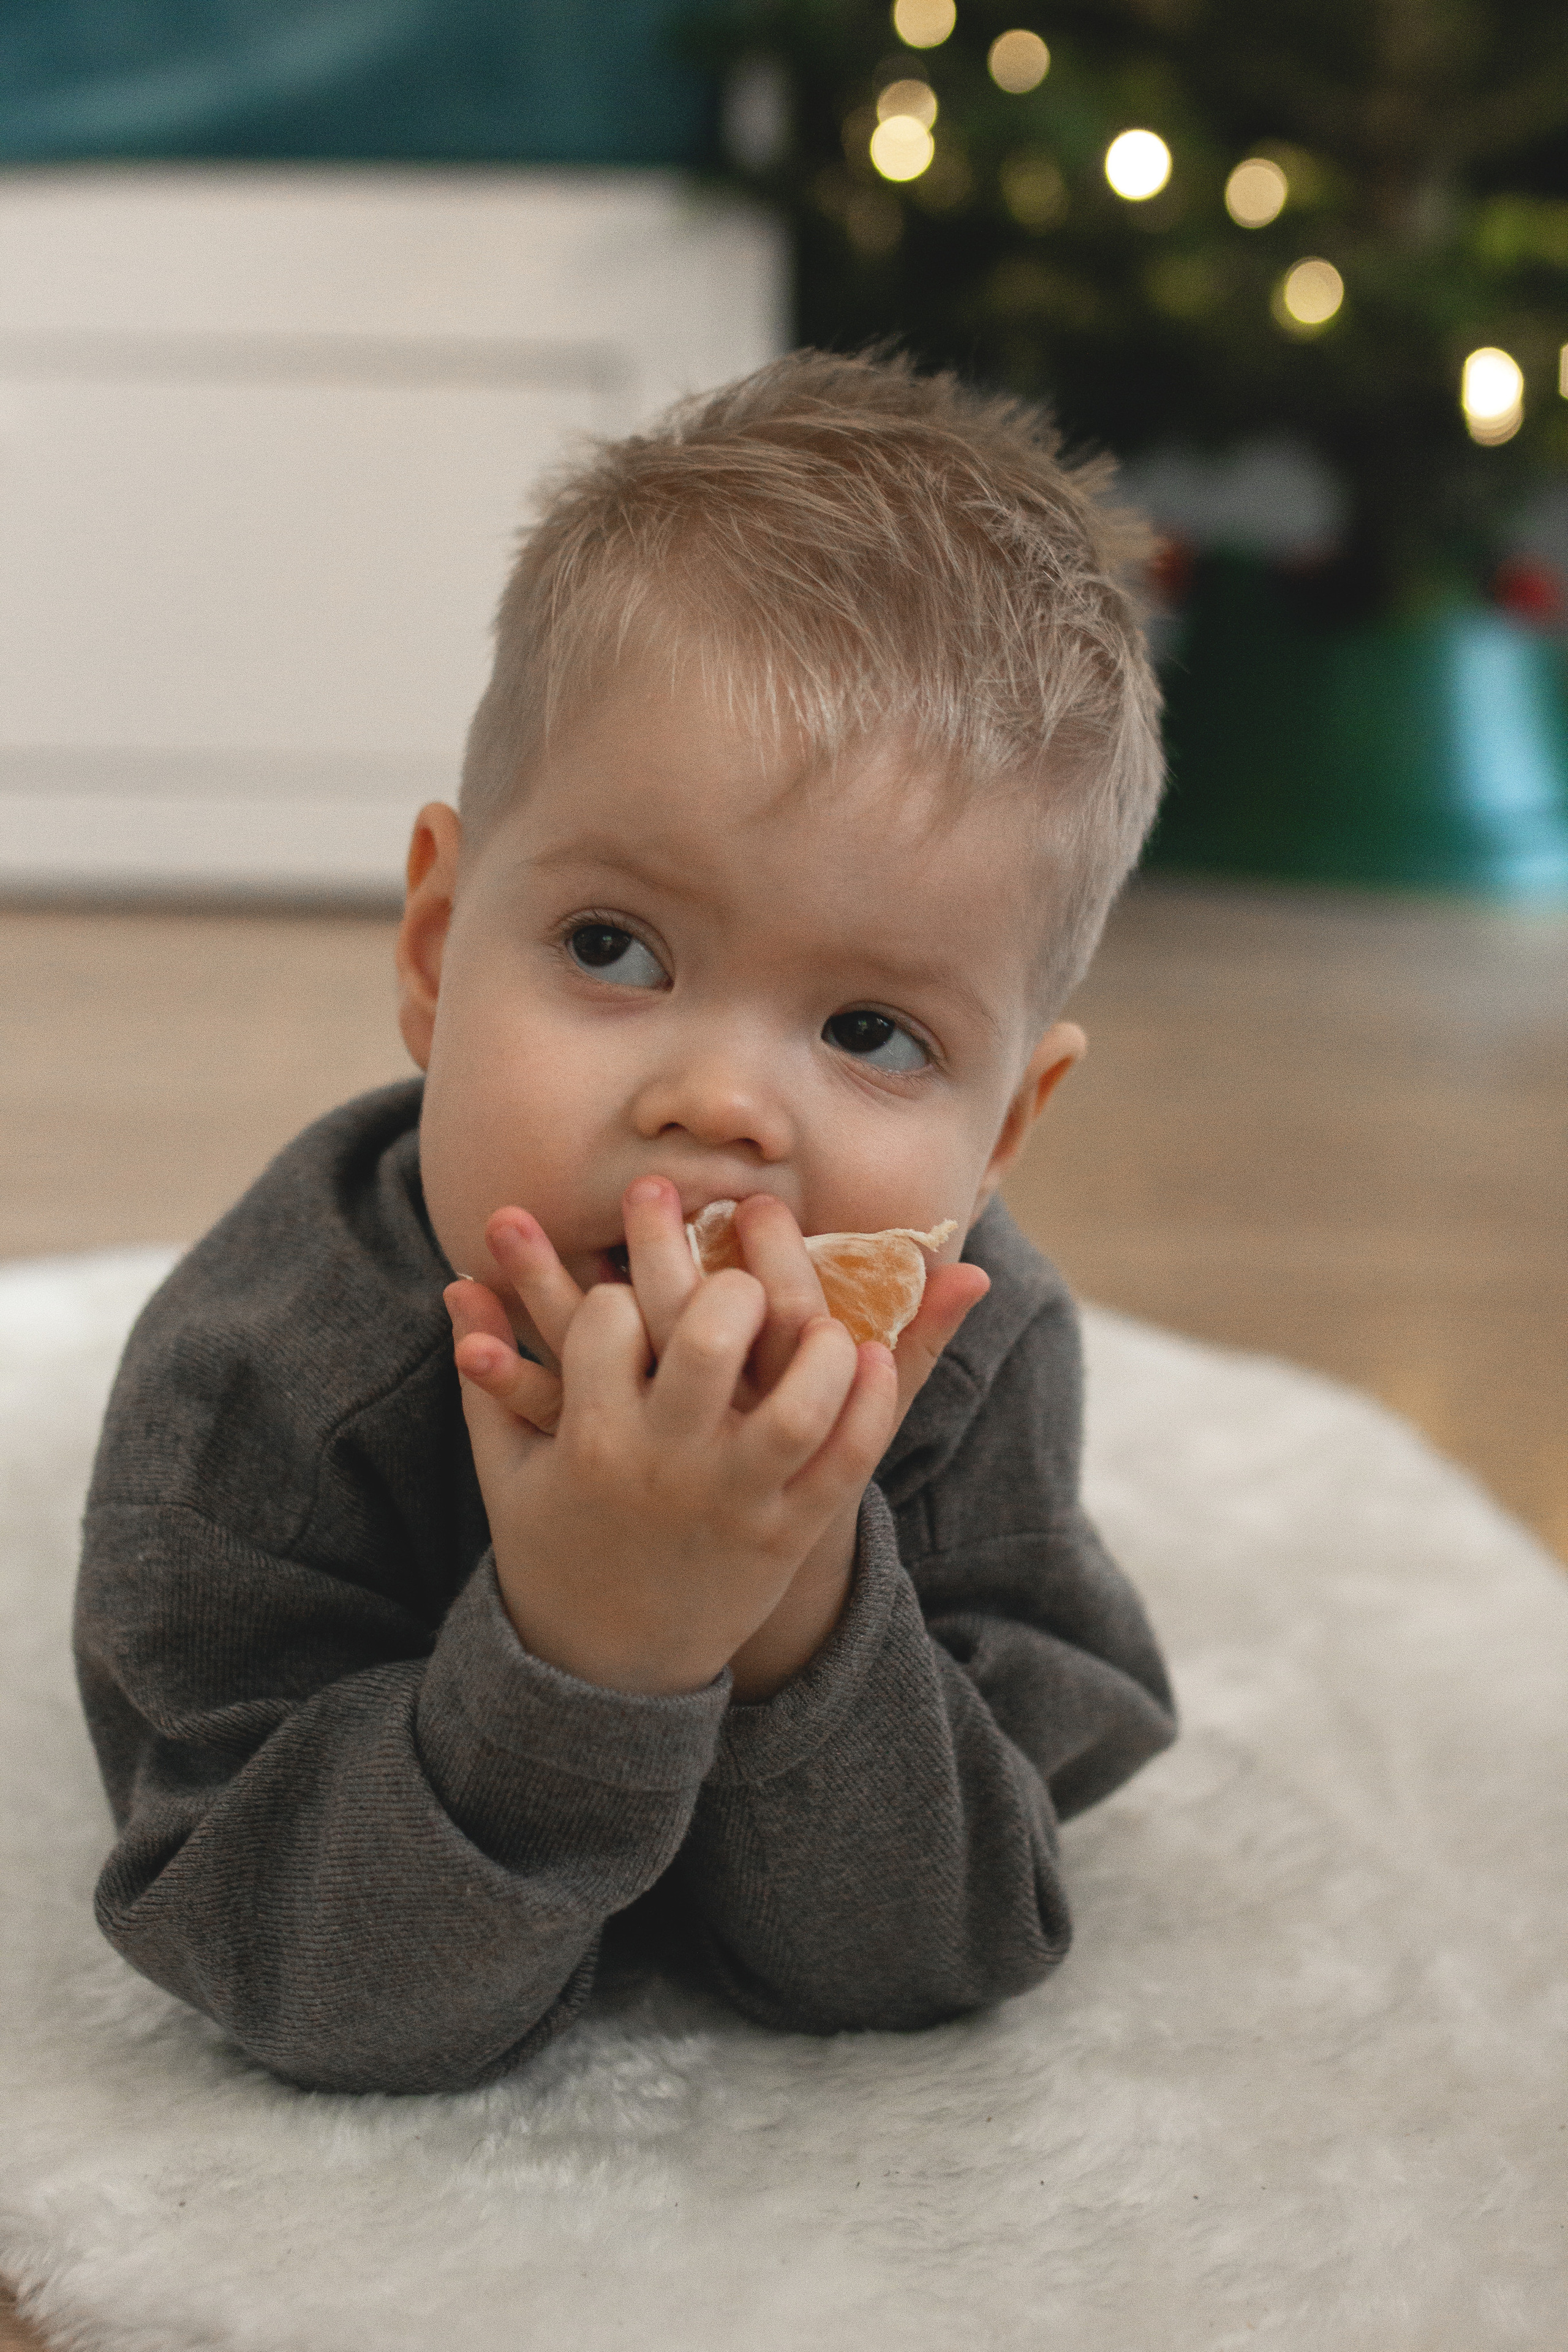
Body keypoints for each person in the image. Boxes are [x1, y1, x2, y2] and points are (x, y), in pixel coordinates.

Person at [75, 350, 1177, 2095]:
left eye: (874, 1034)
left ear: (1004, 1132)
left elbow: (934, 1958)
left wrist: (796, 1601)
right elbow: (292, 1982)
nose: (722, 1104)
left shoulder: (972, 1362)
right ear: (437, 953)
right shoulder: (265, 1380)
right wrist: (590, 1653)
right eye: (614, 948)